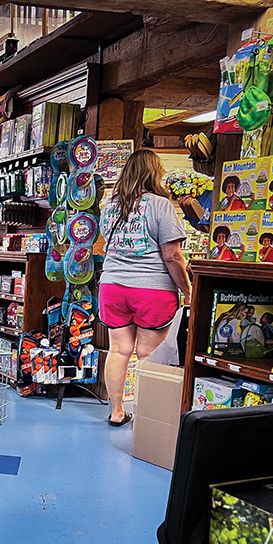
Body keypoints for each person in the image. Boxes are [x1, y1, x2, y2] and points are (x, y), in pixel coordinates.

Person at [98, 149, 191, 427]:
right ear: (155, 172)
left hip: (112, 287)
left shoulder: (110, 205)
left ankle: (117, 412)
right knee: (148, 355)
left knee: (118, 350)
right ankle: (147, 415)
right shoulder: (160, 205)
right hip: (152, 290)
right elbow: (172, 256)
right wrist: (188, 291)